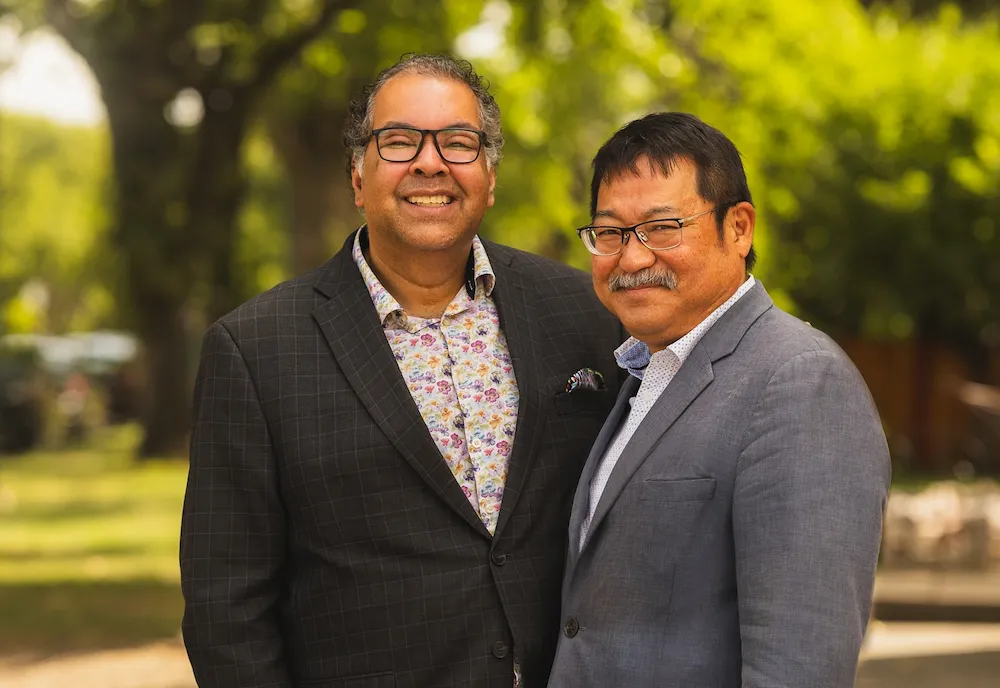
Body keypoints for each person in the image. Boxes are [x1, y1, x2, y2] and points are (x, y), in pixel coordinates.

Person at [179, 53, 624, 688]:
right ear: (358, 177)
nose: (429, 161)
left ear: (489, 176)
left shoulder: (583, 312)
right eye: (398, 141)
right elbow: (227, 609)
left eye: (458, 142)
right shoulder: (254, 349)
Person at [547, 112, 890, 688]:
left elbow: (800, 669)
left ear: (739, 228)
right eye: (609, 233)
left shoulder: (800, 384)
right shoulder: (642, 373)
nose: (631, 259)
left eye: (663, 227)